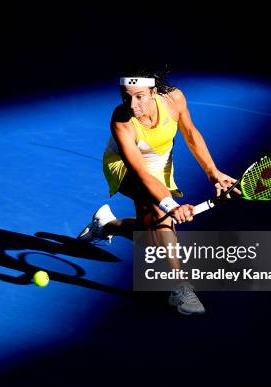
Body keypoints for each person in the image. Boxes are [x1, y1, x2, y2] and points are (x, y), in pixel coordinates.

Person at [77, 69, 240, 315]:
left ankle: (107, 225)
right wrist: (170, 205)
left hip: (160, 163)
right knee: (158, 212)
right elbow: (140, 174)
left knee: (149, 232)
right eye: (126, 97)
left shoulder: (174, 99)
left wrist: (213, 172)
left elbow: (191, 134)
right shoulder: (121, 121)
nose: (132, 105)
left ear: (154, 92)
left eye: (140, 96)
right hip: (124, 166)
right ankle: (180, 288)